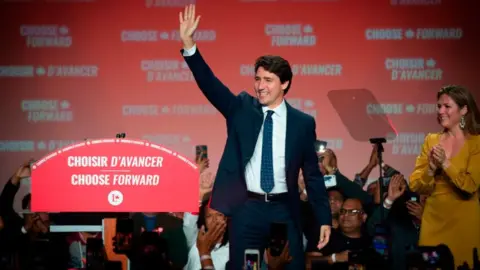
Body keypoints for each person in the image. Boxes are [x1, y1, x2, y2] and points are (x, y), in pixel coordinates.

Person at [177, 4, 331, 269]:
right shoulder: (241, 108)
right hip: (247, 209)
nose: (260, 86)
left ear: (285, 84)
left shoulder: (303, 123)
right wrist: (190, 46)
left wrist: (324, 218)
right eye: (258, 78)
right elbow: (210, 84)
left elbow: (313, 176)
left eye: (268, 80)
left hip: (285, 210)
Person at [409, 85, 480, 268]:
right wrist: (431, 169)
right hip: (433, 219)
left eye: (447, 106)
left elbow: (470, 185)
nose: (441, 111)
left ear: (464, 109)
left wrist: (446, 164)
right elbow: (416, 185)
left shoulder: (476, 142)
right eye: (438, 106)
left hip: (464, 221)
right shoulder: (431, 140)